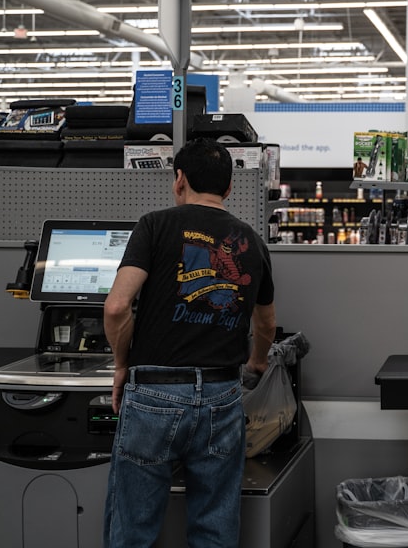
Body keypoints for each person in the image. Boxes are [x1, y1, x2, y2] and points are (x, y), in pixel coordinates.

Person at [102, 137, 277, 548]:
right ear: (229, 188)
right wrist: (257, 362)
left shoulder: (155, 225)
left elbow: (116, 307)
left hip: (153, 395)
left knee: (132, 530)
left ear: (178, 179)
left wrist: (122, 365)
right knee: (214, 528)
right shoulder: (252, 241)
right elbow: (266, 323)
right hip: (221, 395)